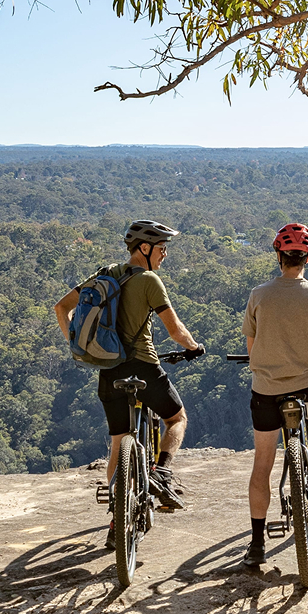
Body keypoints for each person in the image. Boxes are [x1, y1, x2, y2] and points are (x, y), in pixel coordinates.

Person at [54, 220, 202, 548]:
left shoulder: (106, 273)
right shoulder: (150, 280)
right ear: (144, 249)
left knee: (119, 443)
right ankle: (162, 473)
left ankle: (115, 520)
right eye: (162, 248)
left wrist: (77, 346)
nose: (165, 255)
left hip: (109, 370)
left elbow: (61, 308)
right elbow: (175, 330)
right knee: (177, 419)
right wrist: (193, 347)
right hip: (143, 367)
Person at [241, 222, 308, 567]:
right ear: (307, 258)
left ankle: (256, 544)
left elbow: (252, 350)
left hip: (265, 390)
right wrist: (306, 362)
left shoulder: (259, 294)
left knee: (263, 464)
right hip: (304, 384)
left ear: (279, 257)